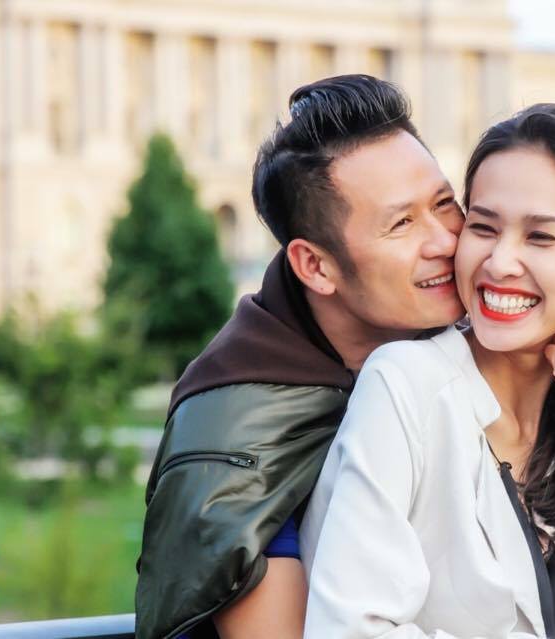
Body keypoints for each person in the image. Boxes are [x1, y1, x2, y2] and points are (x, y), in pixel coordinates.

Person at [301, 103, 555, 637]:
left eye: (540, 237)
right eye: (482, 227)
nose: (499, 262)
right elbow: (348, 629)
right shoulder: (407, 386)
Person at [134, 75, 466, 639]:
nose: (445, 241)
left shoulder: (452, 348)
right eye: (402, 223)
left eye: (444, 204)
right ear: (315, 266)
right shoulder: (239, 439)